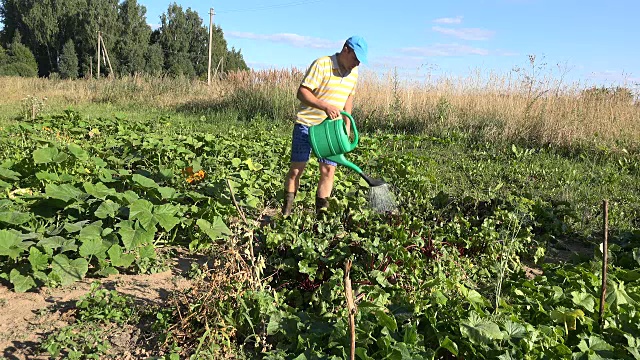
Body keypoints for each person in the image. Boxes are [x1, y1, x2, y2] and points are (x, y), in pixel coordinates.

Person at [282, 35, 368, 216]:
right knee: (296, 170)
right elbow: (302, 92)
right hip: (307, 125)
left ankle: (321, 219)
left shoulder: (353, 73)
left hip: (331, 130)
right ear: (346, 49)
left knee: (328, 171)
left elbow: (349, 97)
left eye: (360, 61)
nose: (357, 64)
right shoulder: (322, 64)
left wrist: (347, 123)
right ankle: (286, 213)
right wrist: (325, 106)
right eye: (355, 58)